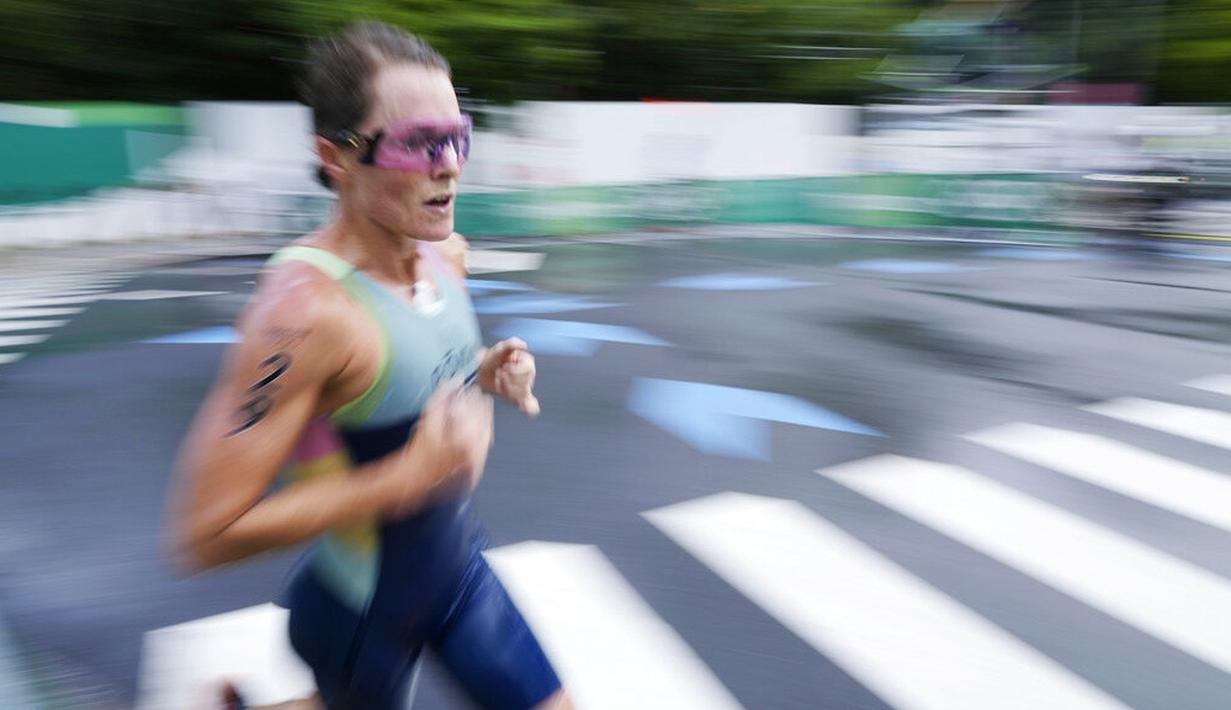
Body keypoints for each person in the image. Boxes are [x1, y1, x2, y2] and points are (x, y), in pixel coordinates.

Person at [166, 21, 571, 710]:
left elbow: (404, 372)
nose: (449, 165)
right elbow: (207, 533)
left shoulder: (446, 253)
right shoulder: (301, 316)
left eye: (459, 136)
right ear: (336, 157)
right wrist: (406, 476)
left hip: (458, 572)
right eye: (418, 142)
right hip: (362, 615)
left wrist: (486, 369)